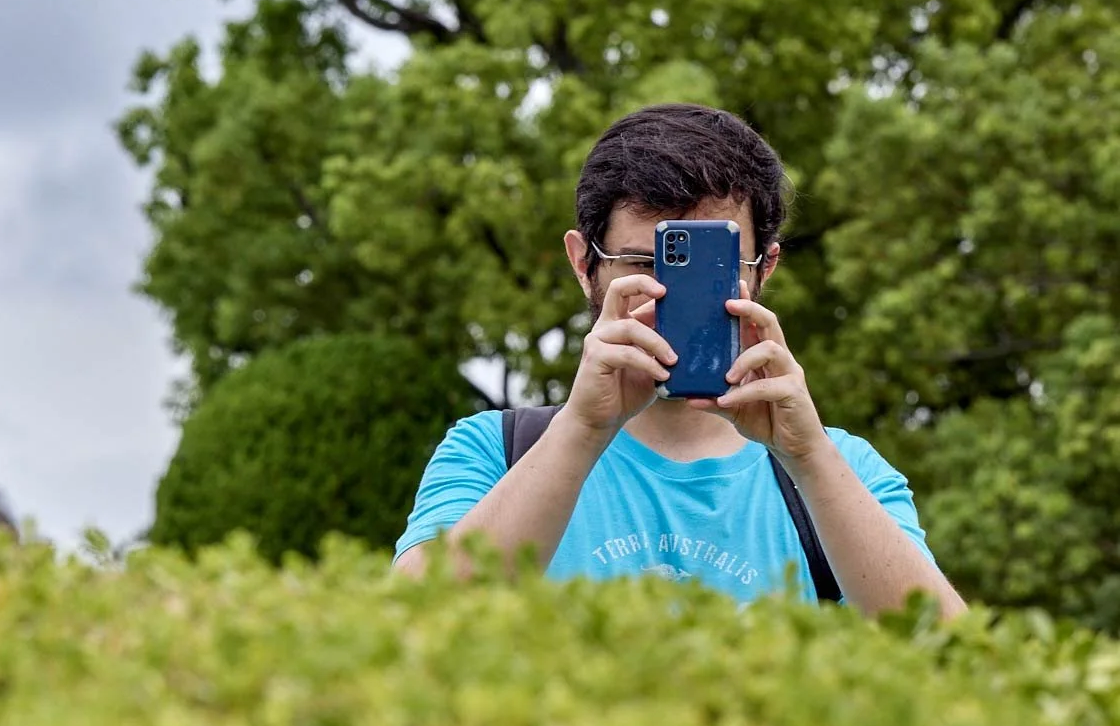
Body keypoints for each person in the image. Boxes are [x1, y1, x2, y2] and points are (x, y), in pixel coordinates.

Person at [394, 103, 964, 618]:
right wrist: (583, 428)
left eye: (708, 265)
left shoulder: (844, 470)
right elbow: (406, 626)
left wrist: (808, 457)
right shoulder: (493, 451)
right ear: (582, 262)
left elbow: (950, 658)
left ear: (764, 268)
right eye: (644, 260)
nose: (669, 294)